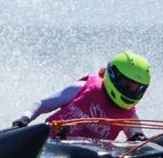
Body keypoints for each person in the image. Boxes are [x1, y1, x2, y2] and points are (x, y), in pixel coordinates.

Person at [13, 51, 151, 142]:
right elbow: (42, 104)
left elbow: (138, 137)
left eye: (137, 88)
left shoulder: (129, 116)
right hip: (47, 146)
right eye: (128, 85)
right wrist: (24, 119)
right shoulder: (82, 88)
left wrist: (139, 139)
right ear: (113, 75)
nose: (131, 92)